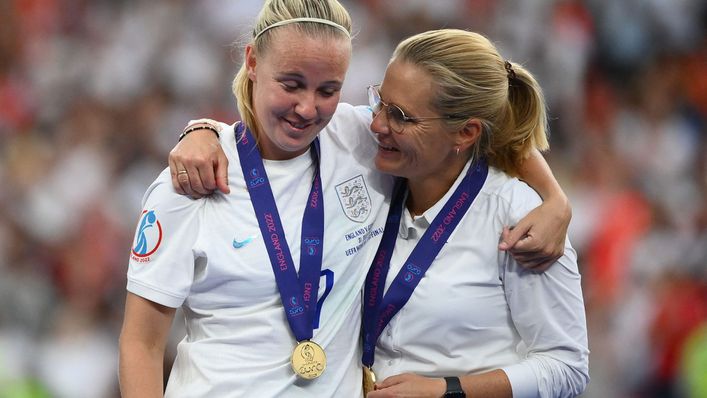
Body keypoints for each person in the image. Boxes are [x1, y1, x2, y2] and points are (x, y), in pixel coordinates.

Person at [171, 28, 588, 398]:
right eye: (380, 102)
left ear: (465, 133)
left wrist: (448, 391)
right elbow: (266, 129)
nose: (377, 125)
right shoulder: (376, 165)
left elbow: (567, 369)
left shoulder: (518, 218)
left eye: (401, 116)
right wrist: (202, 130)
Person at [119, 1, 395, 396]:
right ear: (252, 61)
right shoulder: (191, 182)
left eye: (328, 90)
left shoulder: (364, 143)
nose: (307, 108)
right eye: (291, 84)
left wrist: (520, 200)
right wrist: (203, 129)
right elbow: (141, 344)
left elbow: (478, 126)